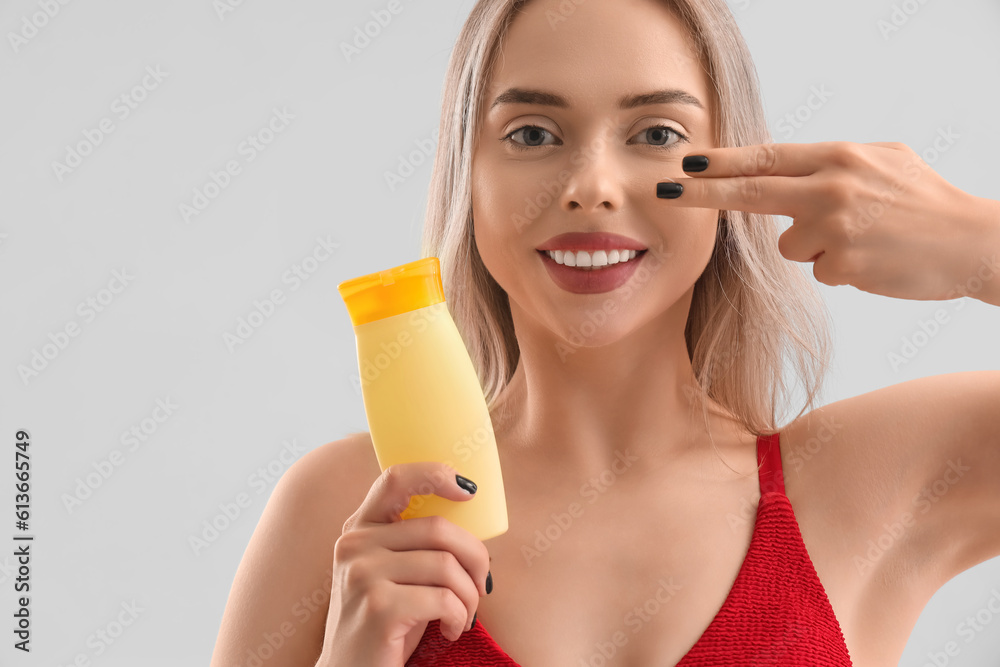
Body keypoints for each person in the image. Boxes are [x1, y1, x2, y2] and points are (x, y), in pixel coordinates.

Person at [210, 0, 1000, 665]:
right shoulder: (347, 509)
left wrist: (979, 242)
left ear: (732, 175)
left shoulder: (863, 482)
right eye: (531, 133)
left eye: (656, 132)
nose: (591, 186)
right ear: (468, 176)